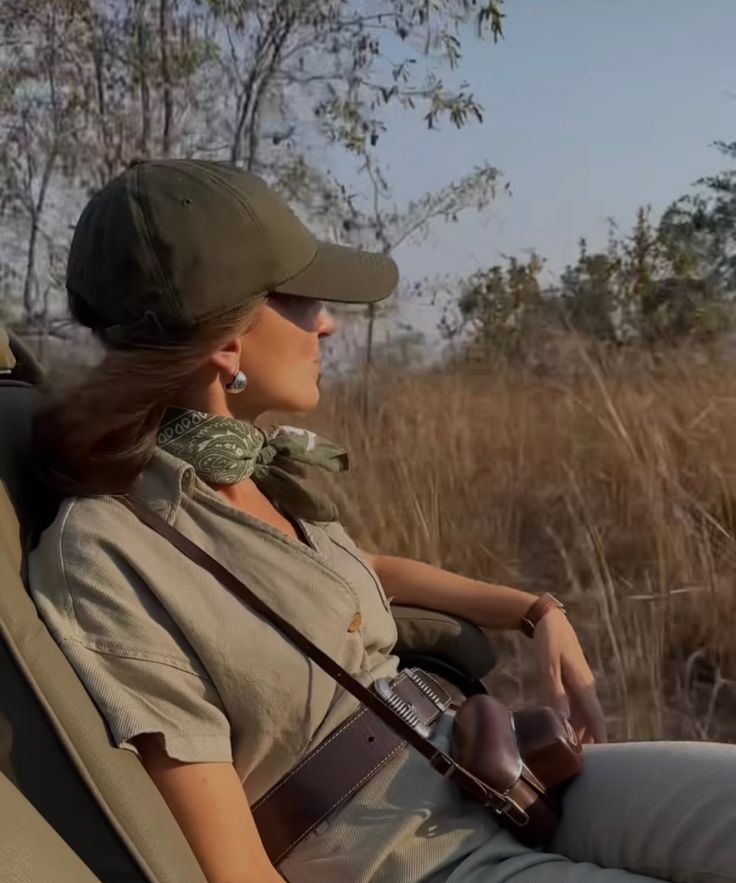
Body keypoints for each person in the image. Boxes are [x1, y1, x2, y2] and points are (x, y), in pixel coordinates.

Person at [28, 159, 736, 883]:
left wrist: (535, 610)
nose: (327, 323)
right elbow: (233, 867)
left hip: (492, 779)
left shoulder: (252, 479)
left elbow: (357, 572)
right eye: (303, 301)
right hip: (420, 860)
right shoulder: (108, 551)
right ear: (228, 343)